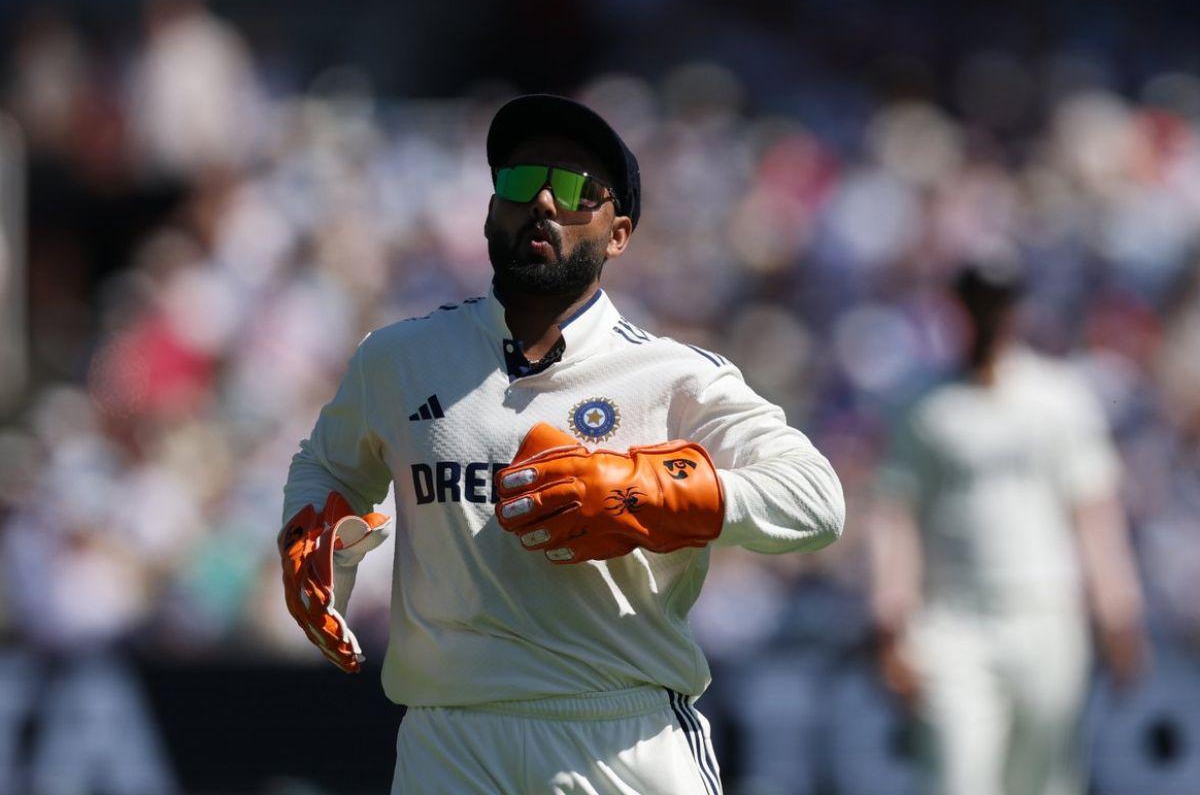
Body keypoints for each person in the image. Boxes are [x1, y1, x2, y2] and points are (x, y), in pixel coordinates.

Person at [276, 94, 845, 795]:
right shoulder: (397, 360)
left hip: (619, 735)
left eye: (578, 191)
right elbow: (327, 467)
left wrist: (654, 492)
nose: (544, 200)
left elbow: (817, 501)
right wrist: (316, 536)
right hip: (449, 740)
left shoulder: (673, 377)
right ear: (490, 213)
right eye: (520, 182)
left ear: (619, 235)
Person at [868, 261, 1148, 795]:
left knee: (1041, 782)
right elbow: (895, 514)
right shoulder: (922, 405)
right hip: (952, 621)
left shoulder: (1061, 397)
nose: (987, 315)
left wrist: (1118, 606)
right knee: (957, 775)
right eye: (977, 301)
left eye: (998, 302)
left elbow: (1093, 509)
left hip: (1045, 615)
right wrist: (891, 614)